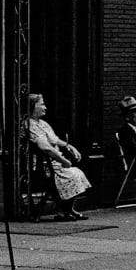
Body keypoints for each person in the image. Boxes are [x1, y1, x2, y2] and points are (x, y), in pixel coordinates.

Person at [24, 93, 90, 221]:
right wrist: (64, 161)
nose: (45, 107)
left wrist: (69, 146)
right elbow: (45, 148)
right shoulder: (30, 125)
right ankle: (62, 210)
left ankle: (67, 209)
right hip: (43, 165)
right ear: (32, 106)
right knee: (73, 174)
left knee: (77, 173)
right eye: (42, 104)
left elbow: (54, 140)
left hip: (53, 163)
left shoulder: (43, 123)